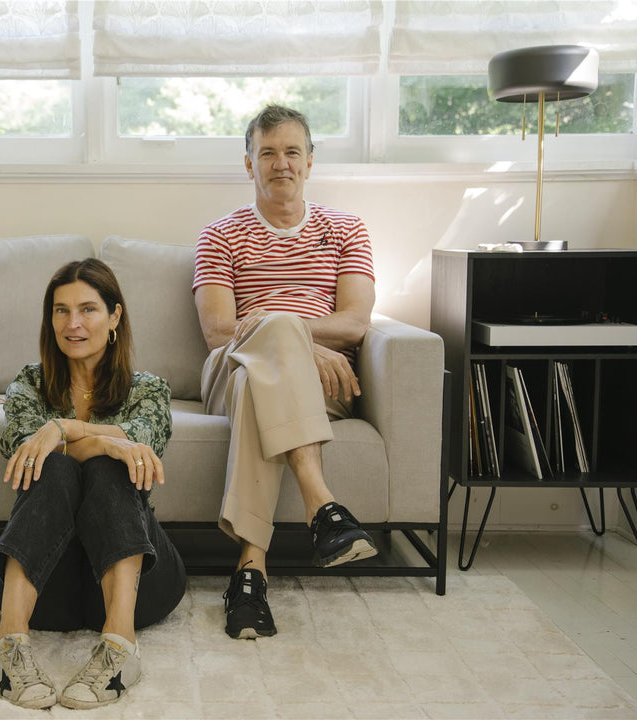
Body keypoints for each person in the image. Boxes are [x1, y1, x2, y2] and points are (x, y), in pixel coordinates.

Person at [193, 104, 378, 640]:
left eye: (292, 152)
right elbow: (220, 333)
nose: (281, 164)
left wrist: (291, 342)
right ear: (248, 164)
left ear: (310, 162)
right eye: (267, 153)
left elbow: (357, 323)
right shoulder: (219, 235)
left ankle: (249, 574)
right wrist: (293, 339)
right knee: (258, 360)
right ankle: (323, 507)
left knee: (264, 379)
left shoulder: (346, 229)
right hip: (229, 371)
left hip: (323, 384)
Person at [0, 258, 186, 710]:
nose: (73, 324)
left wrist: (64, 430)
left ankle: (120, 645)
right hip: (47, 584)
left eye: (88, 310)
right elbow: (26, 453)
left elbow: (143, 446)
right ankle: (10, 642)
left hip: (137, 584)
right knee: (54, 467)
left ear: (115, 316)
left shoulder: (148, 389)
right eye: (60, 311)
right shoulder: (28, 384)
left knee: (108, 467)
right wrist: (104, 440)